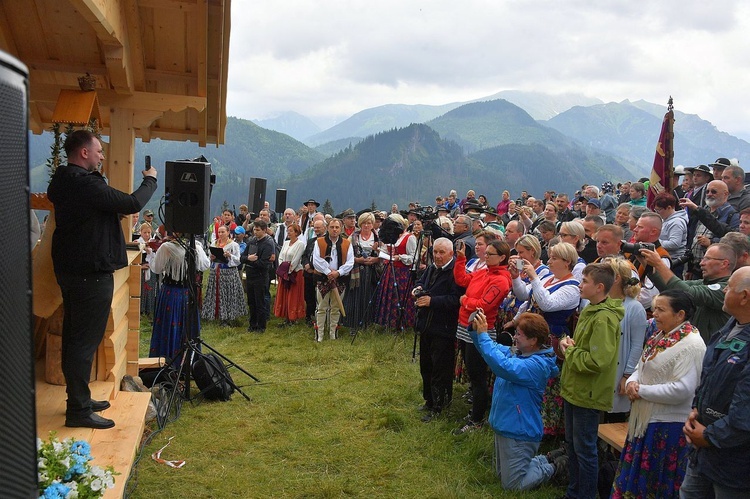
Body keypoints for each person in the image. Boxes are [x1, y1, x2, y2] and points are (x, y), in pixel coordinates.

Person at [48, 129, 157, 429]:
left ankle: (78, 399)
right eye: (98, 152)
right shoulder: (86, 186)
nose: (101, 156)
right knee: (83, 342)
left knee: (75, 338)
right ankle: (79, 411)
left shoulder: (65, 182)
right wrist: (151, 180)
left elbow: (90, 215)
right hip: (90, 273)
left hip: (72, 270)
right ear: (84, 153)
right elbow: (133, 203)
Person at [611, 290, 706, 498]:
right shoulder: (661, 336)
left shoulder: (692, 344)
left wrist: (641, 390)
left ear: (680, 315)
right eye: (654, 308)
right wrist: (633, 381)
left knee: (657, 484)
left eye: (661, 310)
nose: (654, 314)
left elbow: (683, 389)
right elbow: (643, 365)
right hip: (646, 422)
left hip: (668, 427)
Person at [471, 310, 562, 490]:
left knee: (513, 485)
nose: (515, 337)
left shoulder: (536, 366)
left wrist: (483, 335)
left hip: (520, 432)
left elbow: (503, 367)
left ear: (533, 340)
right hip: (506, 425)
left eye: (519, 334)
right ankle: (547, 458)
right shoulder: (520, 352)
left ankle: (555, 467)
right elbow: (492, 351)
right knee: (501, 476)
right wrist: (475, 332)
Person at [680, 267, 750, 497]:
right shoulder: (731, 326)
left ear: (745, 296)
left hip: (733, 463)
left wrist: (709, 436)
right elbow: (710, 376)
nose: (724, 290)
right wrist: (696, 409)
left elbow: (745, 412)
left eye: (728, 286)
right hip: (703, 453)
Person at [558, 263, 624, 499]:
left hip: (589, 393)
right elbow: (581, 345)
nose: (580, 284)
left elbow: (598, 360)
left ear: (599, 287)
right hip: (575, 388)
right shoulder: (589, 309)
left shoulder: (604, 318)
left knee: (584, 449)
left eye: (584, 281)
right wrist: (569, 342)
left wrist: (569, 352)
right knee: (574, 446)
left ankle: (584, 494)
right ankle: (574, 491)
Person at [508, 242, 582, 437]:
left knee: (545, 383)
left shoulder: (572, 287)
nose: (549, 261)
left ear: (567, 262)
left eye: (554, 258)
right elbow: (525, 295)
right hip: (533, 336)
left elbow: (547, 304)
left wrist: (533, 276)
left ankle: (544, 429)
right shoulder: (548, 277)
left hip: (550, 340)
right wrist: (516, 278)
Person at [452, 239, 513, 435]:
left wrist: (464, 301)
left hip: (480, 328)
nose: (485, 257)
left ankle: (477, 420)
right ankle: (476, 413)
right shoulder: (484, 272)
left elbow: (484, 305)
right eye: (485, 253)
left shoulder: (501, 279)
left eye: (490, 254)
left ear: (502, 257)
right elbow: (462, 280)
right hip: (466, 324)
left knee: (478, 376)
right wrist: (461, 259)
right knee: (472, 372)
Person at [413, 237, 464, 421]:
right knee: (425, 365)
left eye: (442, 252)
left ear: (452, 253)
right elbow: (421, 282)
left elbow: (457, 299)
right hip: (426, 324)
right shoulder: (432, 268)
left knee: (440, 369)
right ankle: (429, 400)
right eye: (435, 252)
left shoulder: (455, 272)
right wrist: (418, 289)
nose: (438, 256)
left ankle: (440, 406)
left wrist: (432, 301)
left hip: (443, 327)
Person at [641, 243, 733, 343]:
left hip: (711, 351)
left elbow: (689, 293)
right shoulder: (702, 283)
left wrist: (659, 263)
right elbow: (673, 290)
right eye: (703, 259)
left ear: (724, 264)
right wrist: (647, 265)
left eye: (707, 259)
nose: (701, 263)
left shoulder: (727, 288)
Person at [149, 235, 210, 360]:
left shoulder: (167, 247)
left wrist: (151, 254)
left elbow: (156, 268)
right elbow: (204, 265)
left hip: (170, 293)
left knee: (169, 326)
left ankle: (167, 359)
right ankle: (189, 361)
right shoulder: (196, 246)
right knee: (188, 328)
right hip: (188, 293)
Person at [602, 257, 647, 422]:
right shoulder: (599, 302)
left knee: (614, 418)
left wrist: (627, 375)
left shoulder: (634, 308)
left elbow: (636, 345)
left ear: (616, 279)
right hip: (601, 369)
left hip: (618, 371)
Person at [312, 218, 354, 341]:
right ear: (327, 228)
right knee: (321, 307)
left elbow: (350, 262)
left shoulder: (347, 243)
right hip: (323, 278)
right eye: (332, 227)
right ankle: (319, 334)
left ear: (340, 229)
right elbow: (316, 260)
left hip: (340, 279)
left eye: (337, 227)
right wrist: (328, 272)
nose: (334, 229)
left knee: (336, 308)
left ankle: (332, 334)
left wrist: (338, 272)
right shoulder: (319, 242)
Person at [374, 214, 417, 329]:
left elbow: (414, 257)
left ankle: (403, 323)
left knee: (401, 296)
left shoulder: (409, 237)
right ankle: (387, 322)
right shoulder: (390, 238)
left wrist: (400, 257)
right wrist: (379, 251)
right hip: (389, 271)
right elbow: (385, 251)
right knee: (389, 295)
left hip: (402, 272)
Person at [201, 224, 246, 324]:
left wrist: (230, 256)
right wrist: (211, 258)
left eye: (223, 232)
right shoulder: (214, 244)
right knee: (214, 291)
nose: (220, 234)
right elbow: (210, 257)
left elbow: (238, 260)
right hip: (215, 271)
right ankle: (213, 313)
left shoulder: (233, 245)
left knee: (227, 293)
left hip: (228, 273)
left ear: (228, 233)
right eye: (219, 232)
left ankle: (228, 315)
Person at [343, 212, 381, 330]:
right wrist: (357, 260)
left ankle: (367, 325)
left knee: (369, 297)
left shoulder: (377, 238)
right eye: (364, 223)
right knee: (355, 298)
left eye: (369, 223)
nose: (366, 225)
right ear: (360, 224)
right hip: (357, 272)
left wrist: (375, 258)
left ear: (372, 224)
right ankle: (353, 325)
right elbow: (346, 256)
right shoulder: (353, 237)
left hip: (372, 273)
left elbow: (383, 256)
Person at [241, 219, 275, 332]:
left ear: (264, 230)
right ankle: (252, 324)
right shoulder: (252, 241)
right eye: (254, 229)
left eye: (258, 230)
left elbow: (263, 263)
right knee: (251, 301)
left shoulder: (268, 243)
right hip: (250, 275)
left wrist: (249, 261)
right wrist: (248, 259)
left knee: (260, 301)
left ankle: (261, 326)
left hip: (260, 276)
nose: (255, 232)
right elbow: (243, 257)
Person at [273, 223, 306, 326]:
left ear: (296, 233)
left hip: (295, 273)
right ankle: (286, 316)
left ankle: (293, 317)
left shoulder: (300, 244)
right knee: (284, 294)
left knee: (293, 295)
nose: (288, 233)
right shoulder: (286, 243)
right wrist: (282, 270)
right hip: (284, 273)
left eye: (291, 231)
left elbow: (296, 259)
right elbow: (281, 256)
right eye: (288, 231)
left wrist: (289, 271)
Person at [136, 223, 159, 316]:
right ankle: (140, 309)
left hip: (151, 269)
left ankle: (149, 309)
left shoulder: (153, 243)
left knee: (150, 289)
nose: (147, 235)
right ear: (140, 232)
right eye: (145, 232)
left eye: (149, 232)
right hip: (140, 269)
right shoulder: (137, 242)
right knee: (141, 289)